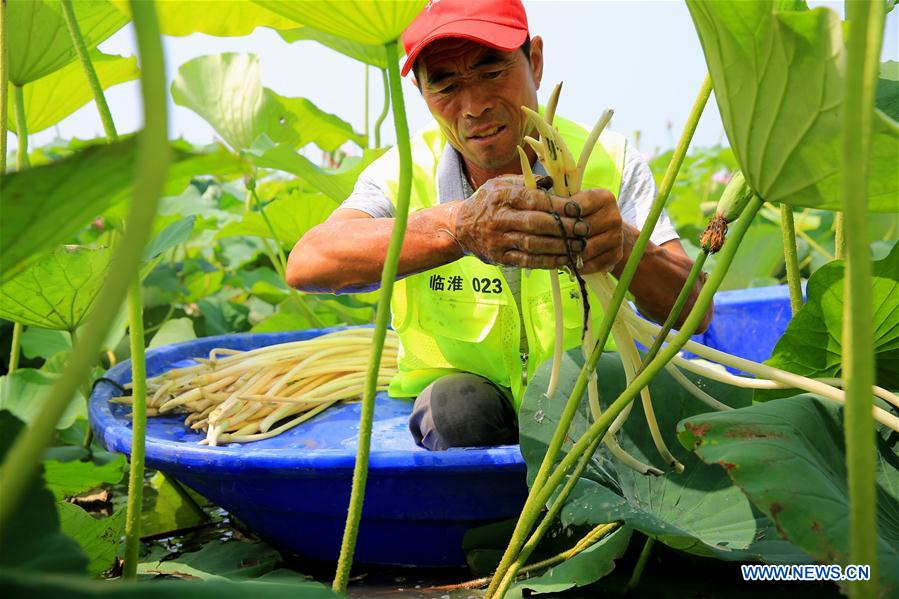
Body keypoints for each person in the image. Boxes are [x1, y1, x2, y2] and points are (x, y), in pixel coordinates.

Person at [287, 0, 712, 451]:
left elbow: (695, 312)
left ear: (536, 62)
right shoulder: (401, 174)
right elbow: (308, 262)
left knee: (602, 391)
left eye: (492, 72)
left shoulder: (609, 159)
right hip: (467, 405)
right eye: (446, 85)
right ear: (422, 93)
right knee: (455, 409)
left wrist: (625, 246)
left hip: (591, 401)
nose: (474, 107)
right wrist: (456, 226)